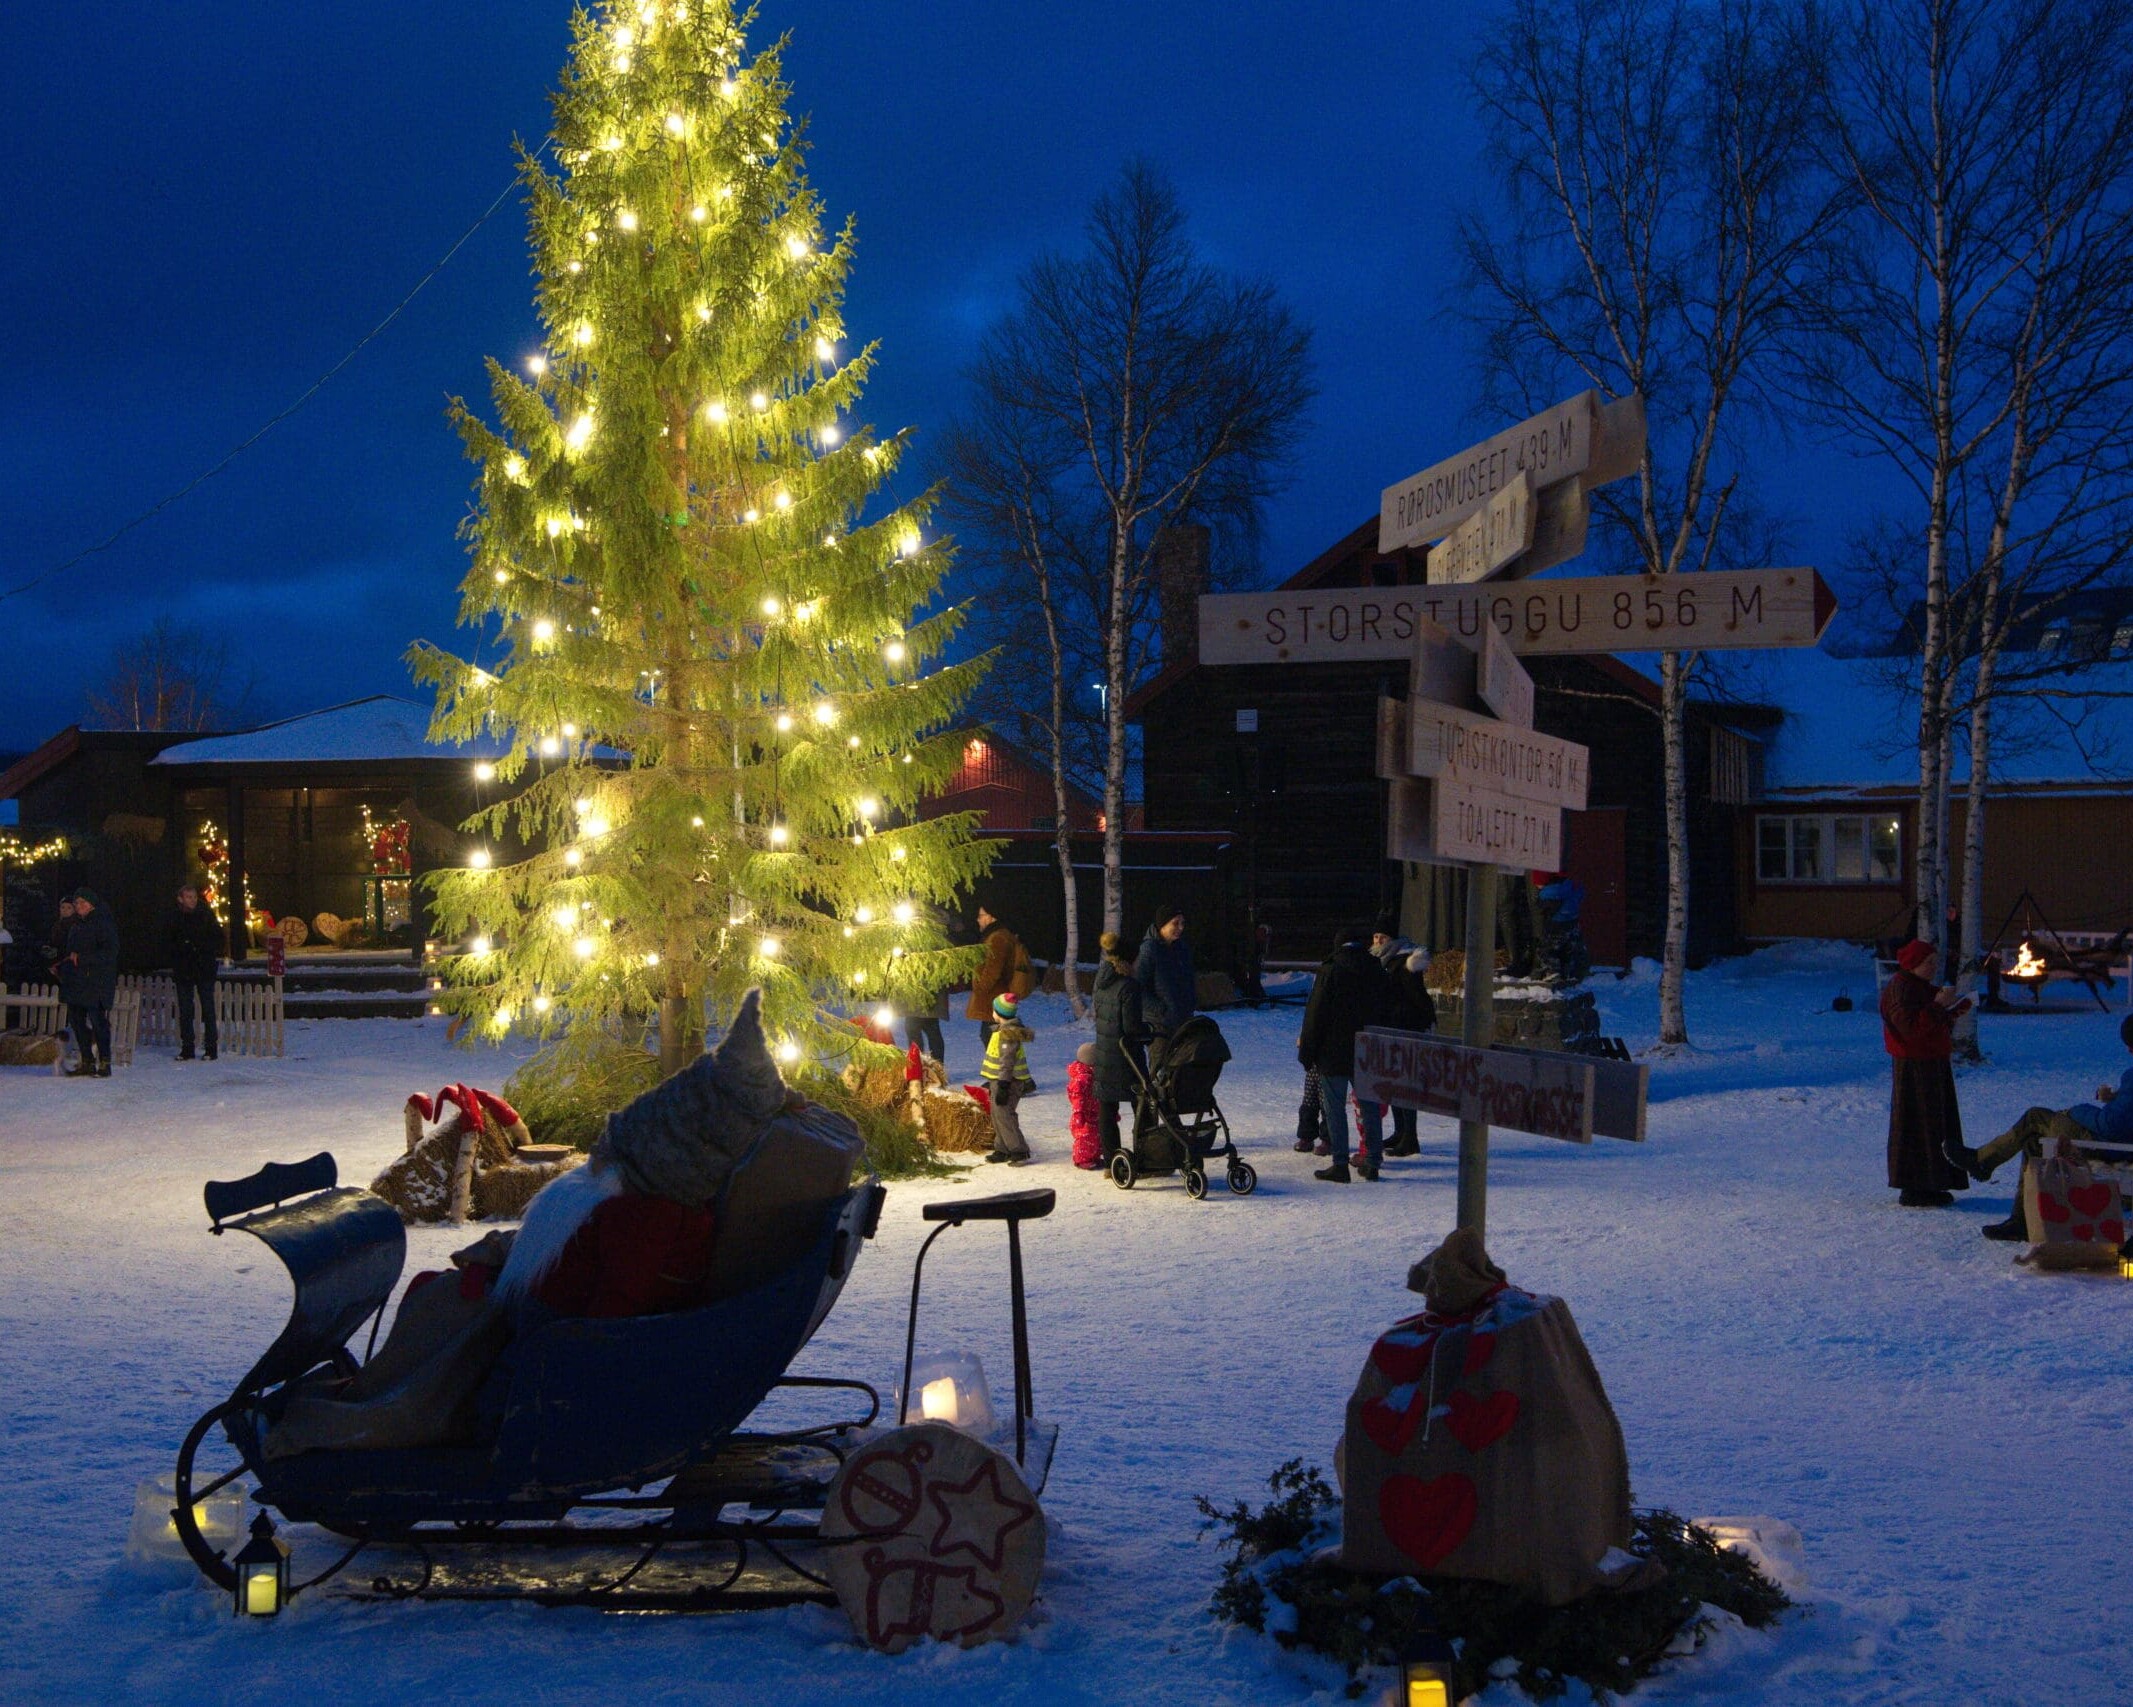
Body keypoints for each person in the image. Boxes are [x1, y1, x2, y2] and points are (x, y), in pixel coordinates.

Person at [1945, 1012, 2133, 1240]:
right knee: (2033, 1141)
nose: (2129, 1051)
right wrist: (2117, 1098)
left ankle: (1983, 1163)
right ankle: (2019, 1218)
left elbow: (2110, 1124)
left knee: (2035, 1118)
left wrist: (2078, 1110)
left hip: (2111, 1146)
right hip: (2120, 1141)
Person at [1297, 922, 1395, 1182]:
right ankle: (1373, 1161)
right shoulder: (1376, 968)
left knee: (1334, 1108)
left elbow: (1315, 1013)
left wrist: (1307, 1051)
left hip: (1333, 1050)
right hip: (1367, 1048)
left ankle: (1339, 1163)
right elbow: (1388, 1009)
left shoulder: (1330, 969)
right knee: (1369, 1107)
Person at [1879, 939, 1971, 1206]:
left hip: (1931, 1062)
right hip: (1914, 1066)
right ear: (1913, 964)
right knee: (1917, 1124)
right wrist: (1939, 1006)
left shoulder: (1918, 987)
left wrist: (1953, 1009)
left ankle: (1933, 1182)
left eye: (1934, 962)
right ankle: (1915, 1185)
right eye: (1928, 963)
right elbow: (1910, 1027)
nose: (1933, 967)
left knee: (1935, 1123)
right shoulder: (1901, 988)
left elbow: (1929, 1021)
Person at [1091, 931, 1148, 1166]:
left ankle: (1112, 1161)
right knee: (1143, 1104)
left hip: (1104, 1054)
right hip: (1127, 1056)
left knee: (1106, 1109)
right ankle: (1147, 1156)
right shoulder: (1129, 987)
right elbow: (1131, 1027)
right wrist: (1148, 1031)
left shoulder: (1101, 982)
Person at [966, 903, 1036, 1082]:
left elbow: (993, 969)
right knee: (996, 1035)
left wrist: (980, 987)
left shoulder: (997, 938)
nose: (978, 919)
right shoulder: (997, 935)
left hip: (994, 997)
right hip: (995, 996)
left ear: (992, 917)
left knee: (994, 1036)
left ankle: (1007, 1079)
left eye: (982, 915)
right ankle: (1011, 1078)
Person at [56, 888, 119, 1079]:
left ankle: (105, 1063)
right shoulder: (76, 925)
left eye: (82, 903)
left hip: (96, 981)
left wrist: (82, 958)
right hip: (77, 982)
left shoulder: (103, 924)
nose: (79, 906)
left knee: (98, 1023)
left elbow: (109, 953)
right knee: (76, 1021)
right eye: (76, 903)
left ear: (91, 904)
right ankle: (87, 1061)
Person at [1381, 949, 1437, 1158]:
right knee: (1396, 1084)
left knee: (1403, 1084)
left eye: (1381, 937)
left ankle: (1408, 1136)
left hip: (1405, 1033)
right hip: (1399, 1031)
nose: (1376, 941)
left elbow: (1417, 1001)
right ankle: (1401, 1132)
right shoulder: (1390, 964)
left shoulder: (1402, 967)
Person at [169, 882, 222, 1061]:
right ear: (180, 899)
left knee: (207, 1007)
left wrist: (201, 948)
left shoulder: (206, 915)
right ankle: (187, 1047)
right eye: (188, 897)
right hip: (184, 968)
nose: (192, 900)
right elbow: (168, 940)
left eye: (194, 897)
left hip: (203, 967)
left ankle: (211, 1047)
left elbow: (216, 937)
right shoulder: (175, 917)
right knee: (185, 1009)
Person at [980, 993, 1033, 1165]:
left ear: (999, 1013)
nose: (992, 1013)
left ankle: (1019, 1150)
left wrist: (1003, 1085)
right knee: (997, 1114)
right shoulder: (1001, 1031)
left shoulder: (1008, 1035)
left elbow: (1007, 1062)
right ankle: (1002, 1148)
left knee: (1005, 1115)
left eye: (993, 1010)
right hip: (998, 1080)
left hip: (1008, 1081)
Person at [1135, 902, 1196, 1035]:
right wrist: (1160, 1009)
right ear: (1162, 924)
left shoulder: (1182, 948)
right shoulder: (1149, 949)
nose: (1180, 928)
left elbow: (1188, 980)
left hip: (1184, 1023)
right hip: (1160, 1027)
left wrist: (1190, 1002)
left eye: (1182, 923)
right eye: (1175, 923)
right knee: (1161, 1056)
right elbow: (1137, 987)